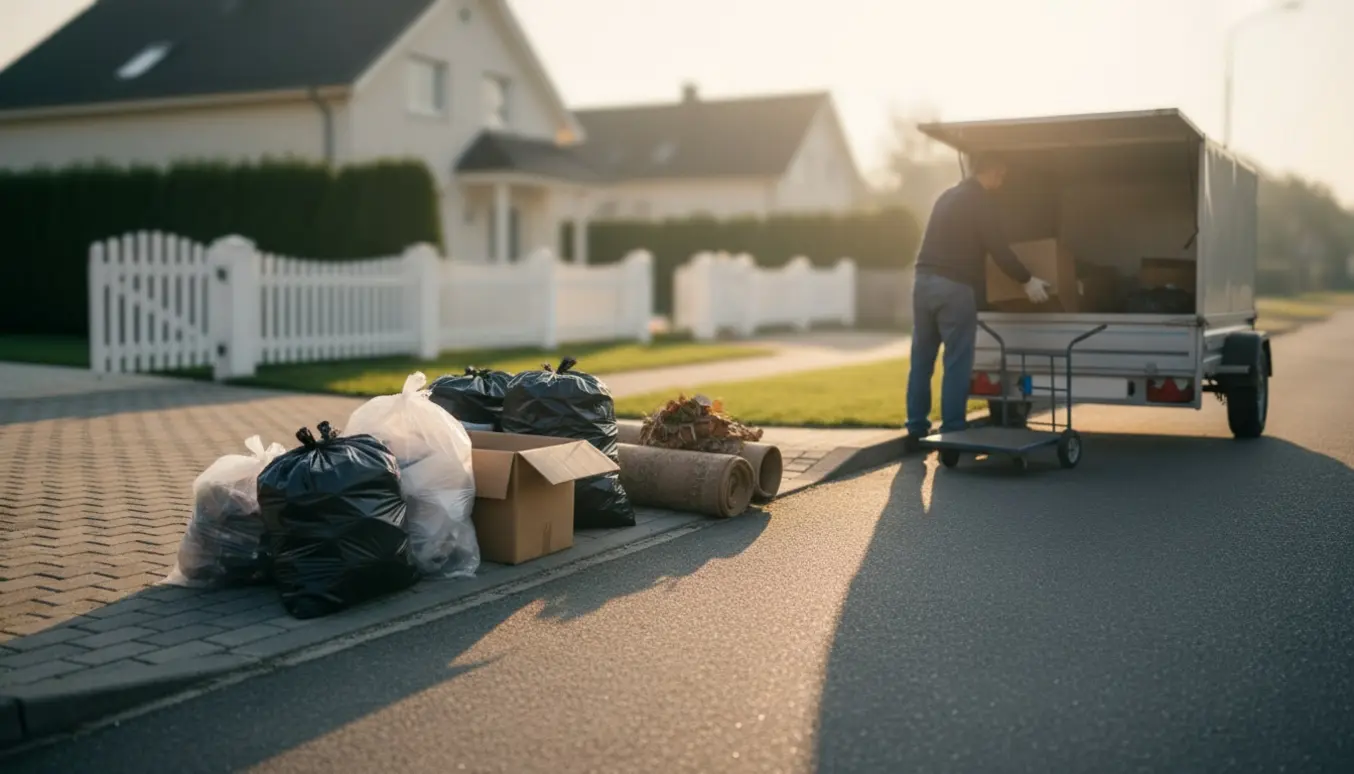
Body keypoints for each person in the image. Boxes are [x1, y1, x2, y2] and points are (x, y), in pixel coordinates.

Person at [904, 153, 1050, 443]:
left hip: (922, 283)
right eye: (1002, 174)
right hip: (954, 287)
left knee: (921, 359)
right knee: (957, 360)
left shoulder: (946, 196)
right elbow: (998, 248)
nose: (1003, 180)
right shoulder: (981, 201)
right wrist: (1027, 280)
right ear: (992, 171)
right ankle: (952, 430)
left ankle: (916, 429)